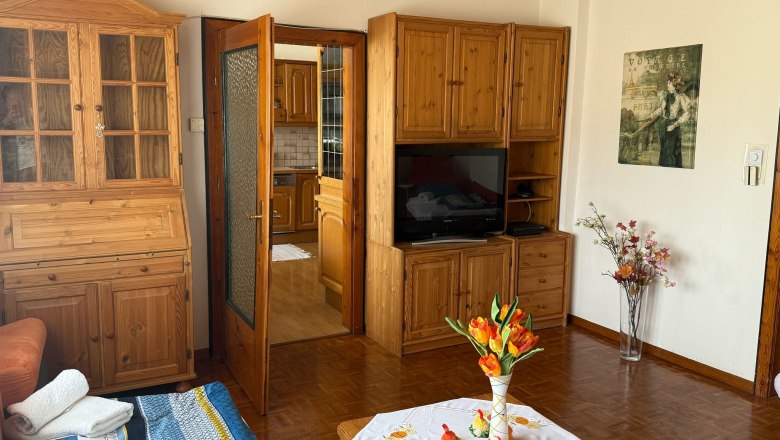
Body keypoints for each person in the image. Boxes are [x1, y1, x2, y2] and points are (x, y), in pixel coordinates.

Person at [630, 71, 691, 167]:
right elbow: (661, 109)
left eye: (670, 83)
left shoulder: (680, 98)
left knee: (671, 152)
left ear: (675, 85)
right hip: (664, 126)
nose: (667, 85)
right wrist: (651, 115)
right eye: (667, 82)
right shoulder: (665, 96)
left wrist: (675, 125)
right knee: (664, 151)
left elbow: (687, 114)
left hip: (673, 127)